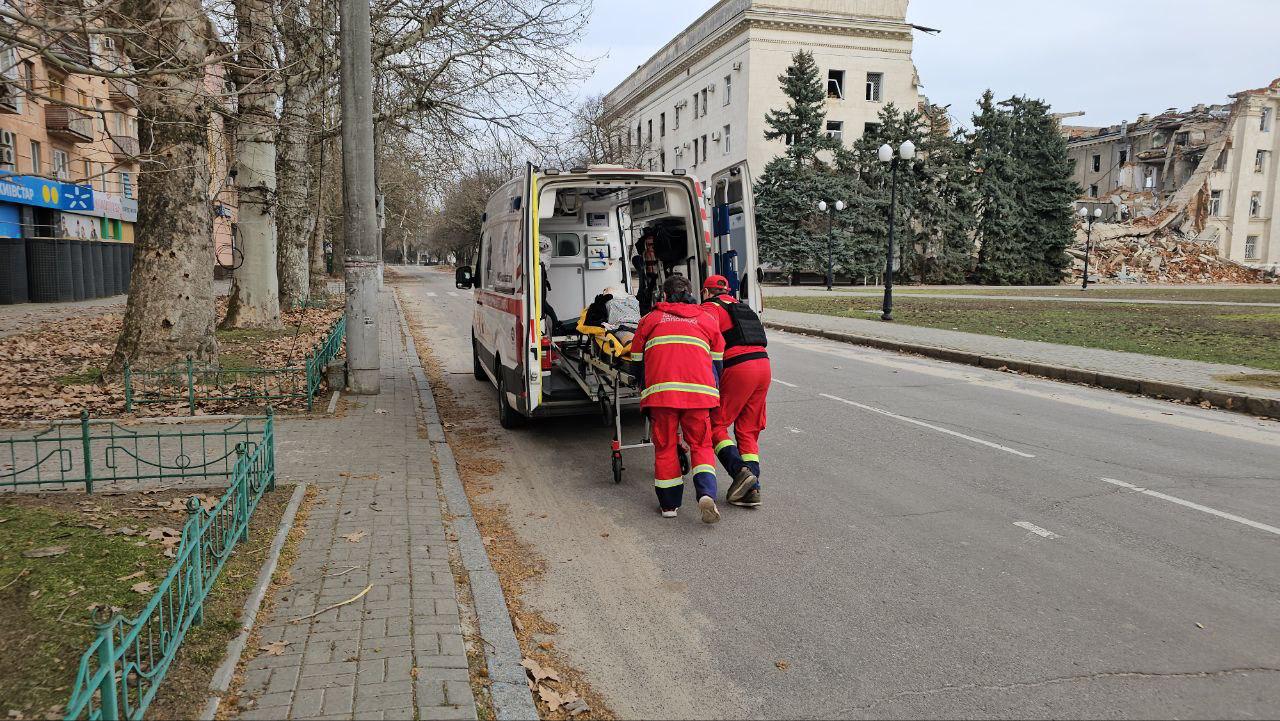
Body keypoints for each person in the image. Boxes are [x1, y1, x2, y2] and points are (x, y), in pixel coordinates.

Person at [629, 275, 725, 523]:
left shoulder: (651, 319)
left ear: (664, 295)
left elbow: (636, 359)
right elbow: (717, 362)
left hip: (662, 396)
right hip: (699, 394)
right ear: (691, 292)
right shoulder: (706, 319)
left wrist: (640, 382)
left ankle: (669, 506)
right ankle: (706, 494)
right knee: (702, 445)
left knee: (666, 447)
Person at [701, 275, 770, 508]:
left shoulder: (710, 308)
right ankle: (752, 489)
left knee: (715, 425)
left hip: (740, 367)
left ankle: (739, 472)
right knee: (748, 430)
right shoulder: (743, 308)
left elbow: (703, 338)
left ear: (706, 292)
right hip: (763, 366)